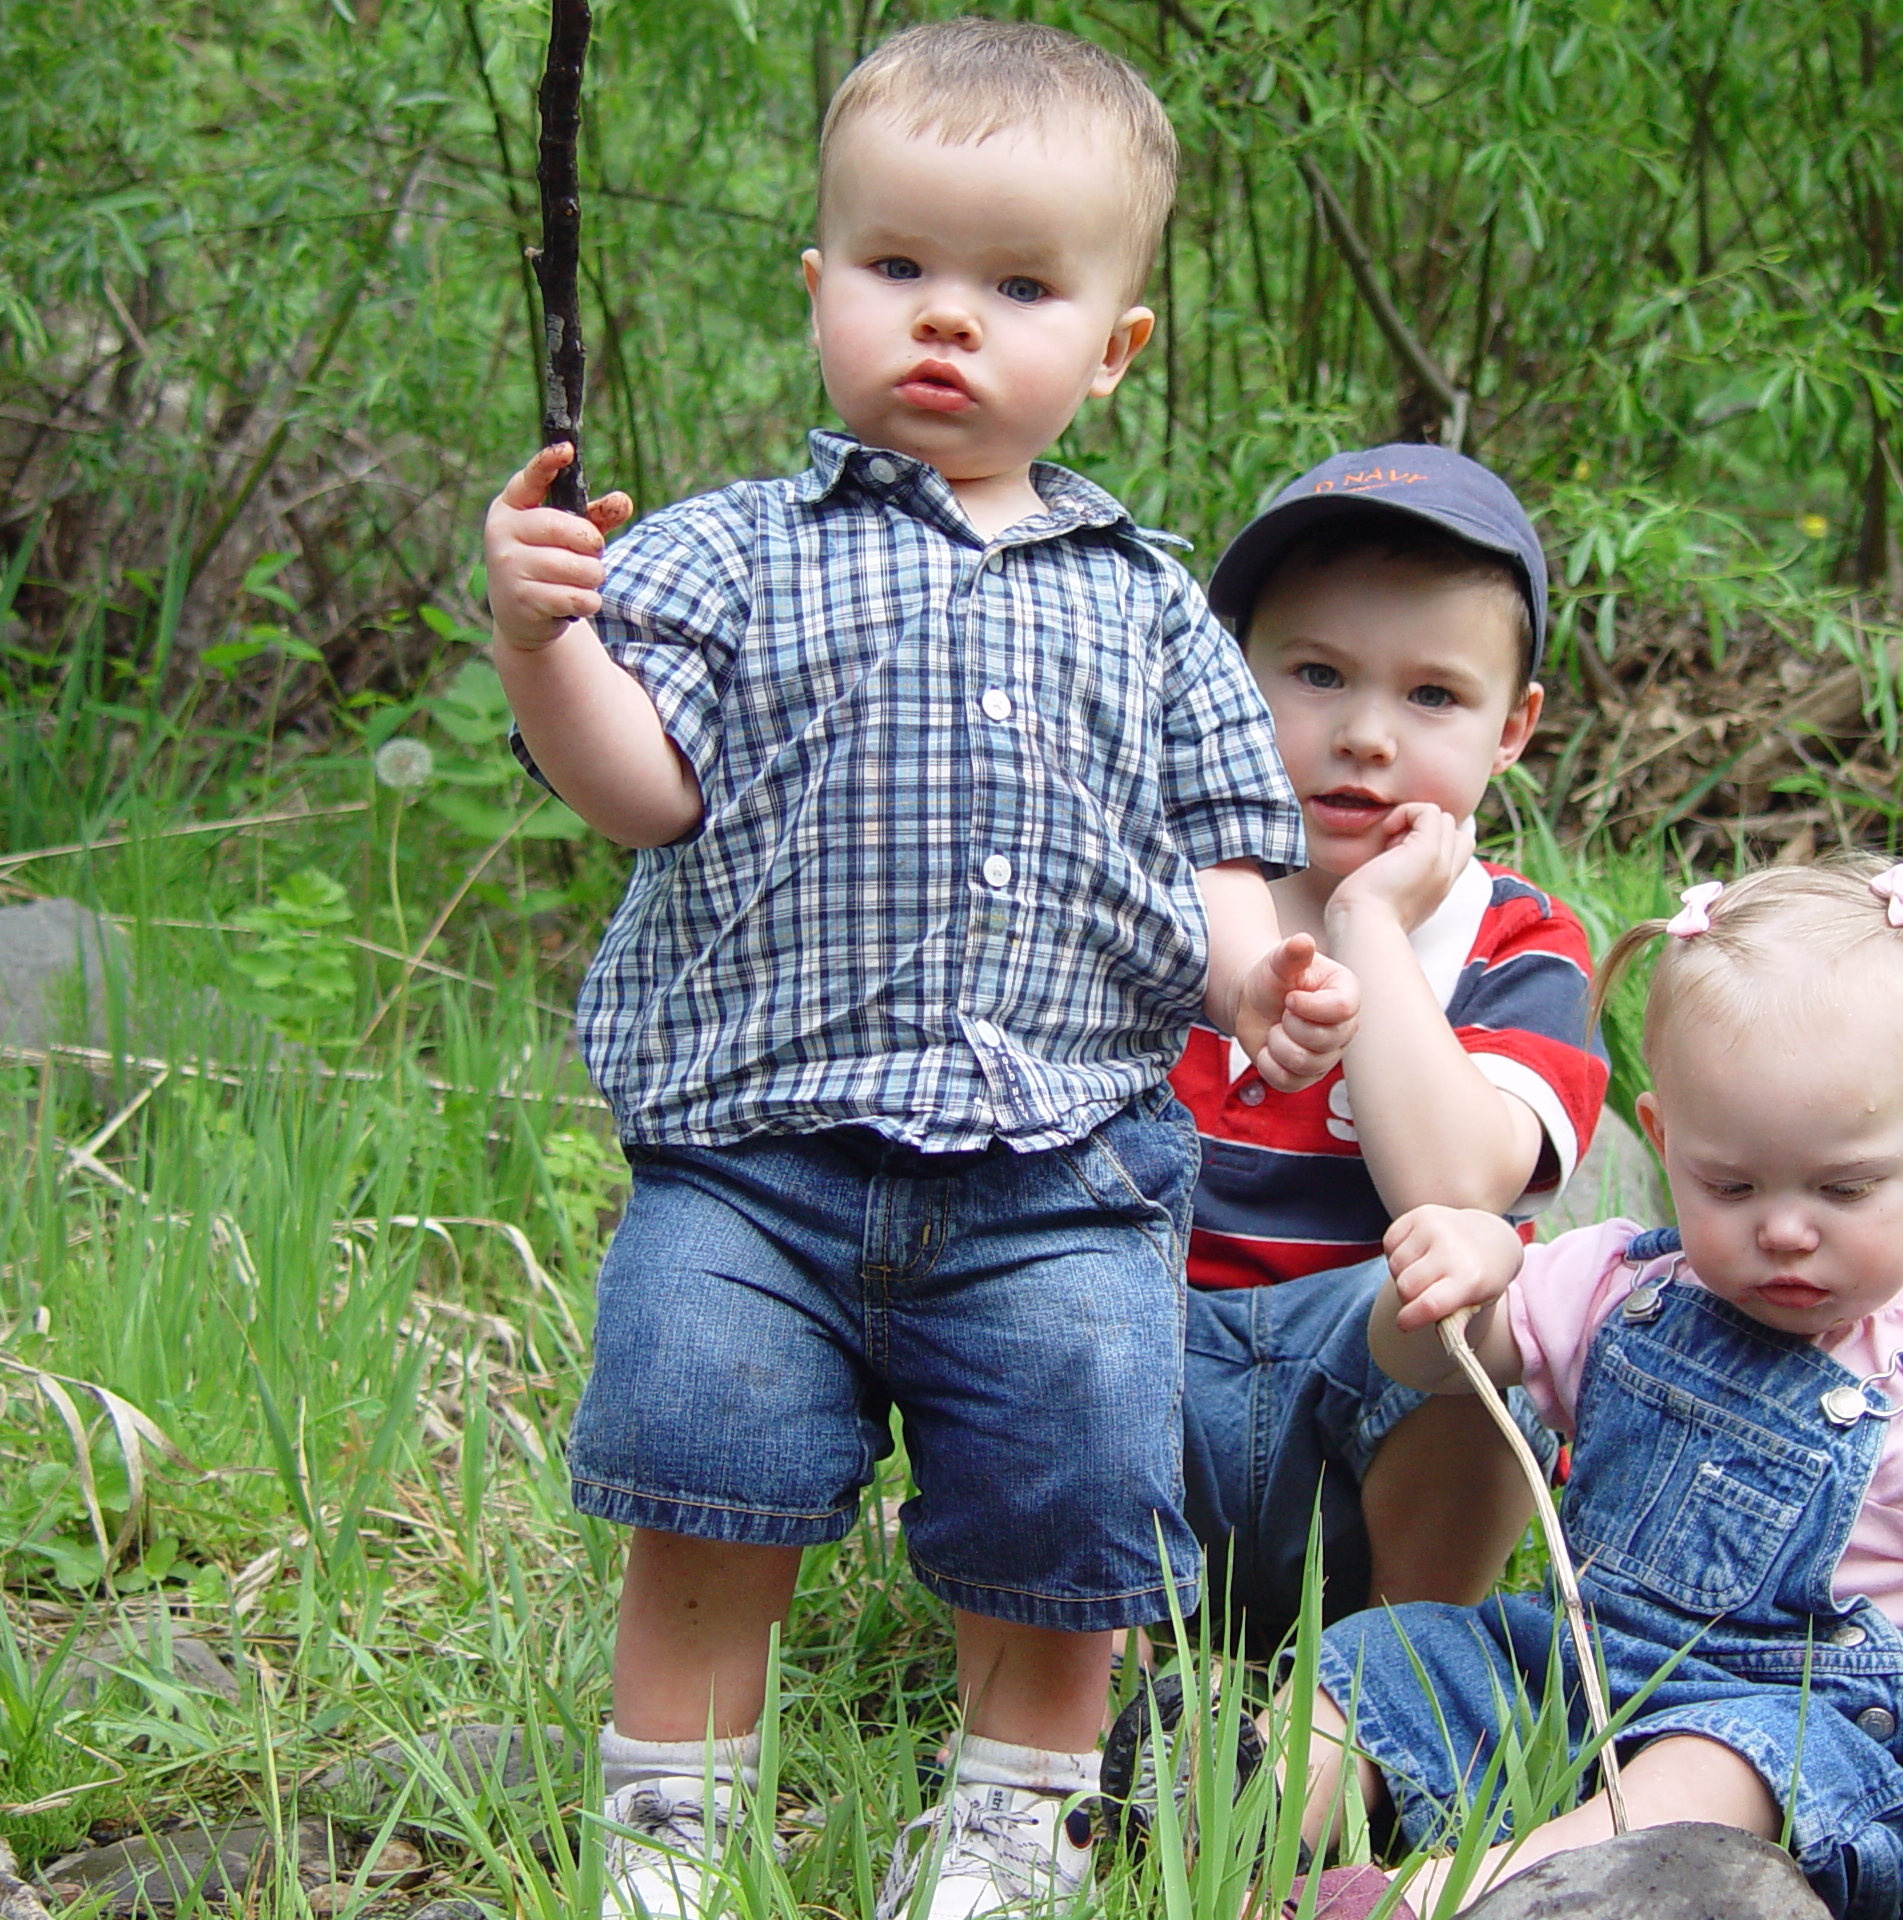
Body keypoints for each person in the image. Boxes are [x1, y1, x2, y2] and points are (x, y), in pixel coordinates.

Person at [478, 20, 1360, 1920]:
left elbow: (1212, 867)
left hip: (1059, 1175)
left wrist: (1263, 991)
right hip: (754, 1158)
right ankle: (672, 1830)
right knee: (702, 1474)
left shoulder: (1150, 611)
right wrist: (543, 646)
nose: (947, 322)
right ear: (819, 289)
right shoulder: (720, 559)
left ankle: (1010, 1829)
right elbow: (642, 794)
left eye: (1019, 286)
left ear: (1113, 348)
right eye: (898, 270)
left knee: (1068, 1501)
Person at [1294, 856, 1903, 1919]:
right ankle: (1249, 1796)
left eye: (1844, 1187)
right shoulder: (1625, 1287)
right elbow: (1418, 1361)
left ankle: (1442, 1897)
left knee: (1718, 1759)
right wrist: (1452, 1273)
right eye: (1729, 1183)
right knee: (1398, 1656)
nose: (1784, 1228)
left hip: (1807, 1757)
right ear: (1662, 1143)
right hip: (1579, 1679)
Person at [1171, 447, 1607, 1645]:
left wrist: (1368, 920)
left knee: (1487, 1309)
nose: (1364, 735)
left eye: (1431, 697)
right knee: (1026, 1291)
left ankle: (1400, 1654)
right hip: (1139, 1394)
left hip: (1366, 1422)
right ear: (1226, 677)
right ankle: (1080, 1669)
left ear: (1510, 726)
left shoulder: (1515, 943)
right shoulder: (1171, 909)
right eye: (1314, 674)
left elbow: (1459, 1189)